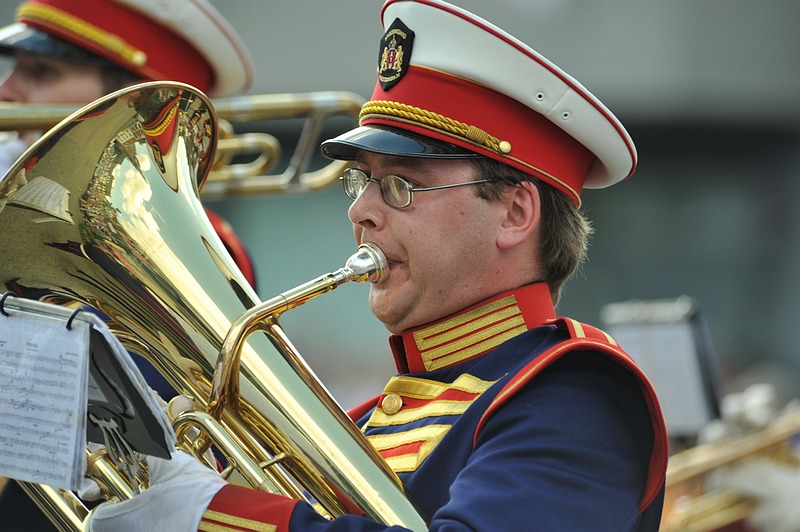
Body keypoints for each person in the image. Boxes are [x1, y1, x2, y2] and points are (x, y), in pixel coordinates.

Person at [83, 0, 669, 530]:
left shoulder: (575, 394)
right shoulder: (365, 422)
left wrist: (215, 517)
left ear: (514, 213)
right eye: (363, 181)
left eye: (402, 186)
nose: (361, 210)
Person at [0, 1, 257, 529]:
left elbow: (130, 432)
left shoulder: (188, 252)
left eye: (42, 72)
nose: (7, 92)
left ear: (120, 106)